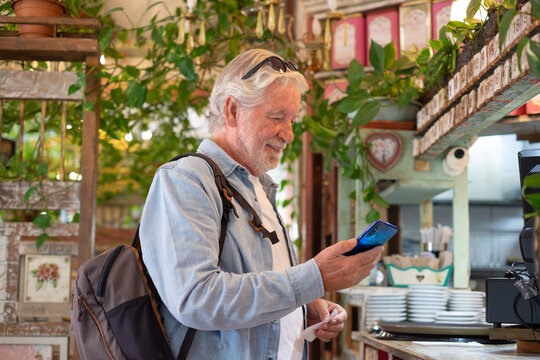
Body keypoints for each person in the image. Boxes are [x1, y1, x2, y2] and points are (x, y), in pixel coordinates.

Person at [139, 49, 384, 360]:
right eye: (277, 116)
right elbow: (196, 298)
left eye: (292, 119)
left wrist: (306, 305)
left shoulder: (258, 188)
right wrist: (312, 279)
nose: (290, 134)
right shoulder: (187, 179)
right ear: (232, 111)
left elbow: (263, 284)